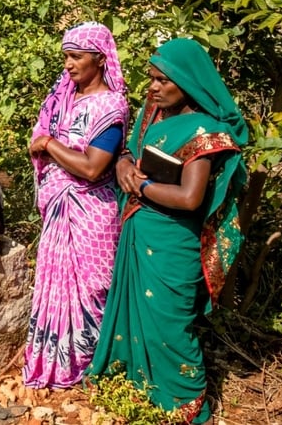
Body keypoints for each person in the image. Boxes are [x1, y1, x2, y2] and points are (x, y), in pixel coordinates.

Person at [85, 38, 248, 424]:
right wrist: (124, 164)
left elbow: (191, 198)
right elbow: (132, 150)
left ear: (187, 83)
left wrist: (139, 187)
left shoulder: (204, 132)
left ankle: (188, 405)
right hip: (140, 230)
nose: (153, 88)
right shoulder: (153, 113)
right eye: (152, 79)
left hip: (174, 240)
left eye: (163, 81)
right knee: (134, 311)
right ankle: (140, 390)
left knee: (170, 326)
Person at [23, 21, 130, 388]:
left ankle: (93, 365)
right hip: (59, 208)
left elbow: (92, 167)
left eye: (75, 57)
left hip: (92, 211)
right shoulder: (64, 99)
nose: (68, 65)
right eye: (65, 57)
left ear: (99, 60)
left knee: (94, 286)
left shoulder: (110, 106)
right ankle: (57, 364)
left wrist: (49, 145)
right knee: (57, 282)